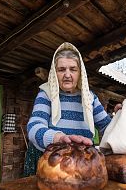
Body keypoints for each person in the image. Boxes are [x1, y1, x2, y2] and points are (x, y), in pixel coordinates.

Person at [23, 42, 121, 176]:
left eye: (73, 69)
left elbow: (108, 127)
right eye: (61, 69)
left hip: (83, 163)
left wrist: (121, 117)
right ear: (54, 73)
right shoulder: (46, 94)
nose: (67, 75)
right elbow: (34, 127)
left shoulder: (90, 98)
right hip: (52, 163)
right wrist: (59, 138)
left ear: (80, 73)